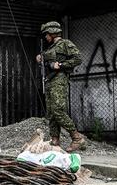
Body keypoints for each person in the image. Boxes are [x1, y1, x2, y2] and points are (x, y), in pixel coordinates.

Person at [36, 21, 86, 152]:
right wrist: (41, 57)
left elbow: (78, 58)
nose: (45, 37)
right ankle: (55, 141)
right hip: (49, 80)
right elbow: (48, 60)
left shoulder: (65, 44)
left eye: (46, 34)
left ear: (52, 33)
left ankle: (77, 137)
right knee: (51, 113)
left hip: (59, 80)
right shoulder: (50, 47)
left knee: (58, 110)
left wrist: (61, 65)